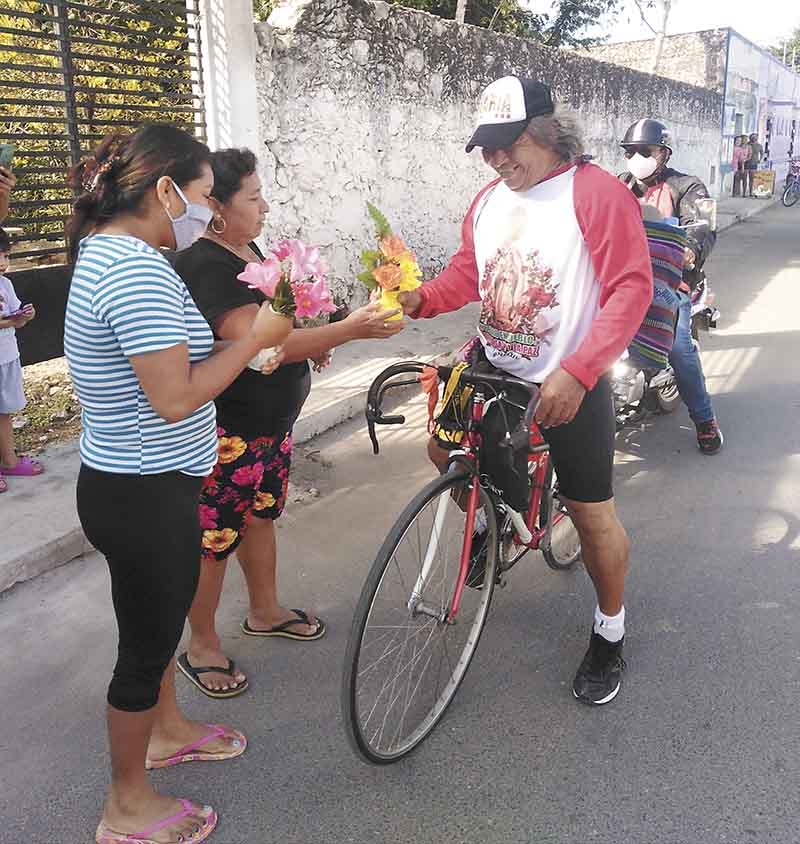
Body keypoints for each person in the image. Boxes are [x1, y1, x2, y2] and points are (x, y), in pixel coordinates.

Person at [64, 124, 293, 844]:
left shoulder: (109, 253)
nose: (204, 211)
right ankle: (127, 804)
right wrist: (256, 342)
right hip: (144, 491)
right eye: (198, 196)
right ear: (164, 191)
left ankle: (165, 731)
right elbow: (174, 396)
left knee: (154, 625)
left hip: (137, 482)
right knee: (143, 647)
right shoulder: (135, 269)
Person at [399, 76, 654, 706]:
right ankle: (502, 520)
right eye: (486, 148)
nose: (495, 159)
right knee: (444, 454)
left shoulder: (595, 194)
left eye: (507, 144)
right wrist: (420, 298)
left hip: (569, 379)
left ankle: (609, 630)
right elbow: (468, 273)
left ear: (545, 133)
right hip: (491, 365)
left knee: (593, 516)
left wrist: (582, 367)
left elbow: (630, 288)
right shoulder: (488, 201)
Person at [173, 147, 404, 697]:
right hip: (226, 432)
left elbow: (281, 330)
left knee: (259, 517)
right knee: (213, 540)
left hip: (268, 425)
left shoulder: (242, 248)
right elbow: (252, 336)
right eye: (254, 198)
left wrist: (311, 342)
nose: (266, 207)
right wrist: (345, 330)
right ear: (218, 207)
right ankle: (201, 644)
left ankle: (265, 610)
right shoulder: (204, 264)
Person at [619, 118, 724, 455]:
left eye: (644, 151)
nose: (636, 157)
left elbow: (704, 226)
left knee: (678, 347)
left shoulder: (688, 186)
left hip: (670, 283)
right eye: (630, 151)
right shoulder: (618, 185)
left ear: (663, 153)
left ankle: (705, 420)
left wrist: (690, 249)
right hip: (621, 280)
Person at [0, 226, 42, 493]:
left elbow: (18, 319)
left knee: (4, 413)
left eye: (5, 255)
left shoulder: (6, 284)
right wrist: (9, 321)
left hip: (7, 358)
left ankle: (8, 460)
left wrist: (25, 316)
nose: (3, 262)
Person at [745, 133, 763, 197]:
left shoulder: (759, 145)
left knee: (752, 178)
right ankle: (744, 192)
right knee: (745, 178)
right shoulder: (747, 144)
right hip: (746, 163)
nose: (754, 138)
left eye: (755, 137)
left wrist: (760, 159)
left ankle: (751, 192)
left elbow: (762, 153)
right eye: (753, 137)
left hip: (754, 163)